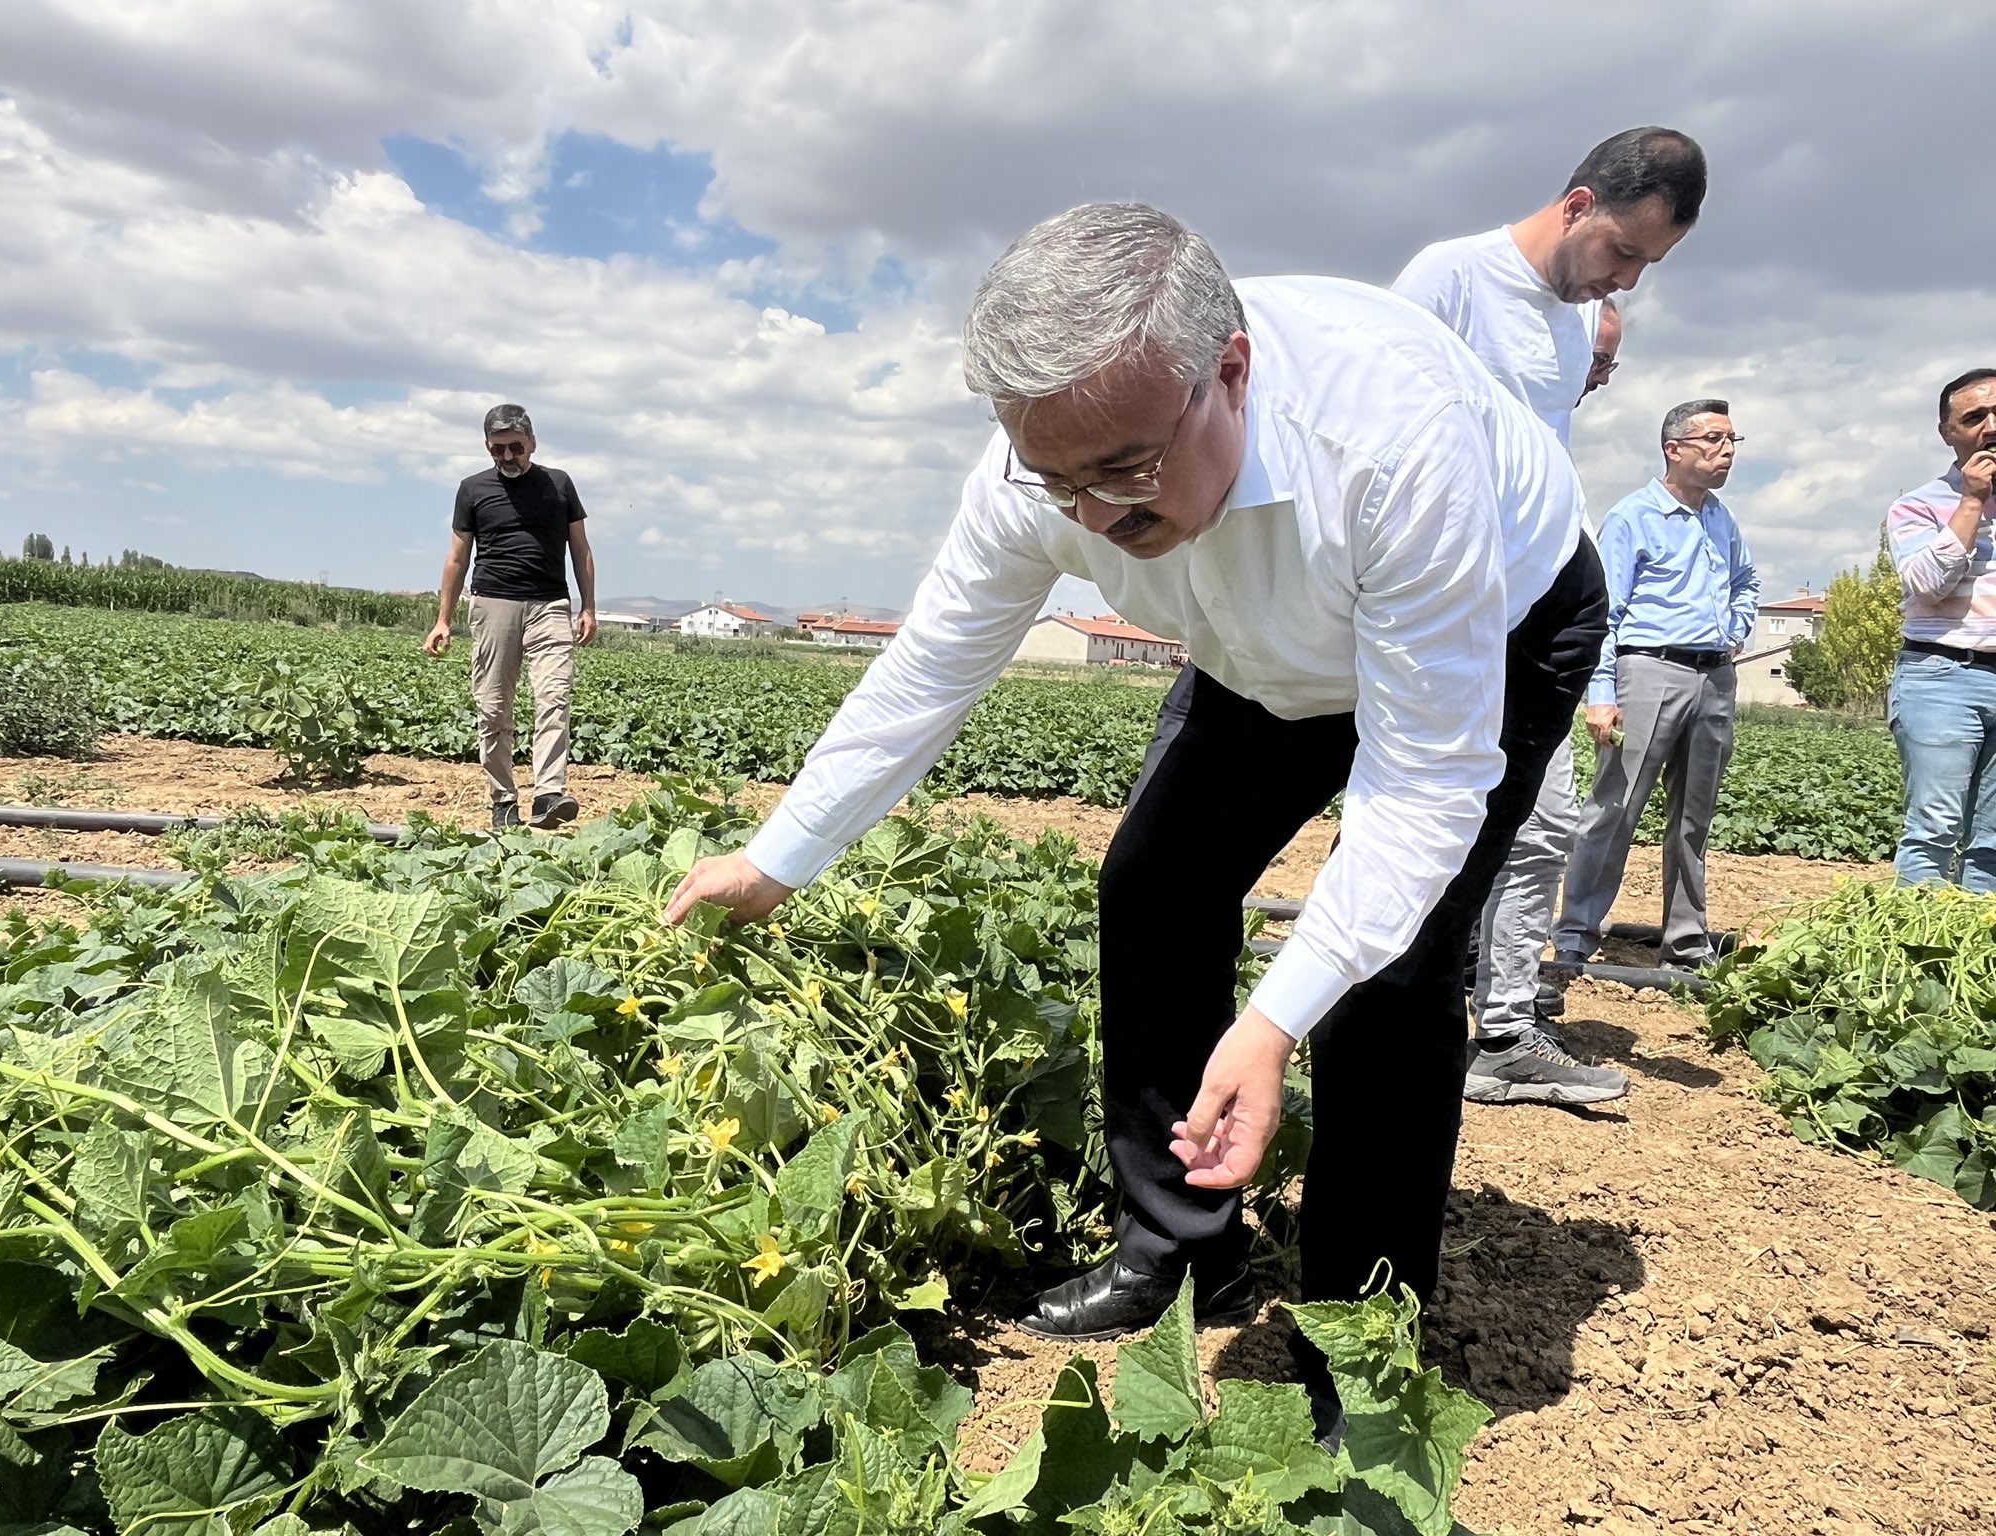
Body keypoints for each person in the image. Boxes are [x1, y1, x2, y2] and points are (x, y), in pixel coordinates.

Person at [661, 204, 1606, 1429]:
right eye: (1058, 480)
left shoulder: (1387, 439)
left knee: (1391, 977)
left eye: (1122, 471)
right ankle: (1178, 1250)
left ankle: (1359, 1350)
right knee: (1153, 887)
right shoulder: (1045, 470)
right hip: (1261, 646)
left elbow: (1422, 786)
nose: (1094, 517)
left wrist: (1269, 1025)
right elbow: (932, 664)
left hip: (1491, 620)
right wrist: (776, 858)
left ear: (1232, 368)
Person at [1394, 125, 1706, 1106]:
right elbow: (1385, 435)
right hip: (1443, 612)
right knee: (1417, 822)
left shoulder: (1576, 325)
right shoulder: (1446, 279)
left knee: (1539, 827)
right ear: (1575, 206)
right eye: (1621, 252)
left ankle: (1500, 1028)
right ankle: (1397, 1015)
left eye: (1646, 266)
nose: (1623, 281)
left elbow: (1540, 460)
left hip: (1534, 617)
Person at [1555, 400, 1759, 970]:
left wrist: (1734, 628)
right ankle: (1575, 934)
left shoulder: (1721, 517)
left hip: (1715, 676)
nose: (1727, 451)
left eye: (1731, 439)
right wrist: (1601, 693)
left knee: (1694, 816)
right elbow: (1605, 612)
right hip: (1649, 671)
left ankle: (1687, 942)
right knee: (1615, 807)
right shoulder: (1633, 517)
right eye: (1713, 440)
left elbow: (1747, 580)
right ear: (1674, 449)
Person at [425, 404, 597, 831]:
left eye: (515, 448)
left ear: (532, 443)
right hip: (493, 603)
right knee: (493, 706)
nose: (507, 457)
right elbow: (457, 557)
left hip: (550, 605)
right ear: (487, 447)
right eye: (497, 449)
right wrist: (443, 619)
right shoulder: (472, 489)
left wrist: (588, 604)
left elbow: (581, 549)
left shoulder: (559, 485)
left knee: (554, 697)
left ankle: (548, 794)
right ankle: (503, 800)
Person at [1884, 368, 1996, 888]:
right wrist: (1972, 501)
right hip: (1943, 676)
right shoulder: (1918, 505)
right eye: (1974, 418)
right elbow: (1928, 584)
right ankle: (1914, 956)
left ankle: (1976, 956)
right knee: (1935, 829)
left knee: (1993, 839)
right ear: (1948, 432)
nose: (1991, 426)